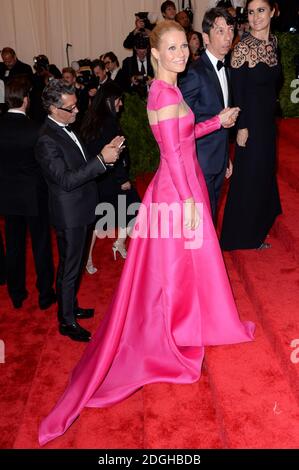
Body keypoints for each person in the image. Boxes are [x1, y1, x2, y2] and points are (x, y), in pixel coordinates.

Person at [38, 20, 254, 446]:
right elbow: (171, 152)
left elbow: (185, 134)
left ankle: (194, 322)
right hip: (177, 191)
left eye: (182, 48)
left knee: (193, 262)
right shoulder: (161, 91)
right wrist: (191, 201)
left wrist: (215, 123)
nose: (179, 55)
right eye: (171, 49)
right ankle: (171, 334)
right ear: (155, 53)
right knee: (174, 267)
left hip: (181, 182)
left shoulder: (172, 90)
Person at [35, 80, 122, 342]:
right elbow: (66, 180)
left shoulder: (65, 128)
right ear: (53, 108)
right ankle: (66, 321)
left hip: (81, 207)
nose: (76, 112)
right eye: (70, 108)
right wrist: (100, 161)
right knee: (70, 268)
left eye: (76, 106)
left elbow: (81, 165)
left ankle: (70, 308)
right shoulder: (46, 140)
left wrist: (106, 156)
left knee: (74, 265)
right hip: (69, 213)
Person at [220, 0, 282, 250]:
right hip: (250, 124)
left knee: (264, 175)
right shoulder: (243, 47)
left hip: (268, 122)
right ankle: (237, 236)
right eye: (251, 11)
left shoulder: (273, 44)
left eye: (261, 10)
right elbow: (237, 89)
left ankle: (256, 231)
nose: (255, 17)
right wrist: (241, 126)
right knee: (248, 177)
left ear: (273, 11)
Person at [0, 77, 55, 309]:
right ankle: (44, 294)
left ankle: (17, 294)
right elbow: (46, 165)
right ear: (25, 100)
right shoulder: (37, 129)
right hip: (34, 196)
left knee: (13, 246)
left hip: (8, 196)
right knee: (41, 245)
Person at [180, 7, 235, 220]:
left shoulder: (227, 69)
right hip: (199, 164)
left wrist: (225, 157)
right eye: (220, 31)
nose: (228, 36)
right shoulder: (194, 72)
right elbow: (180, 125)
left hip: (218, 159)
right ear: (205, 37)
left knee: (210, 219)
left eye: (230, 30)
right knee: (201, 225)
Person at [80, 82, 140, 273]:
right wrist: (122, 179)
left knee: (107, 216)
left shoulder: (92, 118)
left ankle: (96, 254)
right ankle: (103, 251)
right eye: (119, 100)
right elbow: (114, 153)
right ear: (109, 100)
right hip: (110, 177)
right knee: (132, 208)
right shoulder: (108, 123)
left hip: (96, 176)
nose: (120, 104)